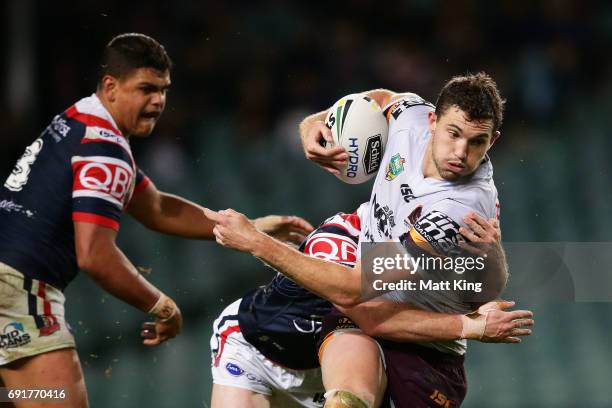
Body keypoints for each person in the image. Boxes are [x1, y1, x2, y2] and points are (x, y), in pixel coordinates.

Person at [0, 33, 312, 408]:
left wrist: (250, 225)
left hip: (8, 285)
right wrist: (162, 305)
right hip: (21, 288)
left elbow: (158, 208)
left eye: (163, 90)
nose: (158, 102)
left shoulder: (81, 117)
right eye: (146, 89)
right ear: (111, 87)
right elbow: (94, 255)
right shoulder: (105, 151)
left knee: (27, 398)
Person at [206, 73, 534, 407]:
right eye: (454, 134)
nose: (461, 152)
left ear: (492, 142)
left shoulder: (459, 209)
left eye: (476, 142)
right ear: (432, 119)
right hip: (365, 299)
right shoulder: (411, 114)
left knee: (349, 302)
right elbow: (378, 99)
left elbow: (352, 289)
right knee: (344, 400)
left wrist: (254, 242)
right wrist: (314, 125)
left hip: (421, 336)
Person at [210, 204, 531, 408]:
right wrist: (470, 325)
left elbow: (476, 292)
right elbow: (369, 315)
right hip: (257, 348)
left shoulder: (425, 245)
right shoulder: (343, 238)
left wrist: (491, 254)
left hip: (330, 356)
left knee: (349, 397)